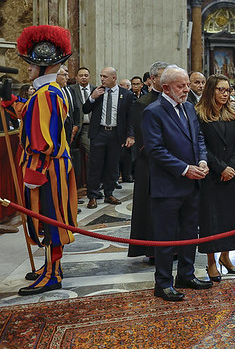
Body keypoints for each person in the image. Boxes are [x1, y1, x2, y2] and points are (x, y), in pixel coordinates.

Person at [0, 24, 78, 295]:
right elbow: (30, 115)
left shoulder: (48, 94)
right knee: (46, 218)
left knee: (50, 219)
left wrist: (36, 168)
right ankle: (49, 267)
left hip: (47, 167)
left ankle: (53, 274)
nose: (29, 69)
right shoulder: (45, 93)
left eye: (33, 65)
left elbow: (45, 141)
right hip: (50, 165)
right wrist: (9, 101)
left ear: (45, 68)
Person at [141, 65, 212, 301]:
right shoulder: (154, 111)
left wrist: (202, 161)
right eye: (181, 86)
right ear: (166, 88)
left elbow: (199, 138)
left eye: (187, 85)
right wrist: (185, 169)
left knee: (189, 232)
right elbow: (155, 150)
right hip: (168, 185)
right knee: (166, 237)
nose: (186, 89)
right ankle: (163, 282)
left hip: (192, 184)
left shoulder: (189, 107)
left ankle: (186, 274)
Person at [196, 74, 235, 281]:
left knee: (229, 217)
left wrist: (232, 167)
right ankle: (211, 262)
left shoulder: (232, 112)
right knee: (210, 219)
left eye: (227, 90)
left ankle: (226, 256)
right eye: (220, 90)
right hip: (211, 175)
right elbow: (202, 146)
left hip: (231, 174)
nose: (225, 94)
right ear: (210, 90)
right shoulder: (199, 114)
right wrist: (221, 168)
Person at [127, 61, 171, 261]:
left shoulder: (173, 101)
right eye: (163, 76)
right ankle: (154, 250)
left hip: (172, 164)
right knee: (152, 208)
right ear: (153, 79)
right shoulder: (143, 103)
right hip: (151, 163)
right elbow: (143, 139)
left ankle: (173, 247)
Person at [82, 66, 135, 208]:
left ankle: (109, 193)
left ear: (114, 78)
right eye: (101, 76)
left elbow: (130, 117)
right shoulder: (97, 92)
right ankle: (92, 195)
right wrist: (92, 98)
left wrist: (130, 135)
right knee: (95, 165)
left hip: (116, 134)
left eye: (105, 77)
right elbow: (85, 109)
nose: (102, 79)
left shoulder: (126, 94)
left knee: (112, 165)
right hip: (99, 133)